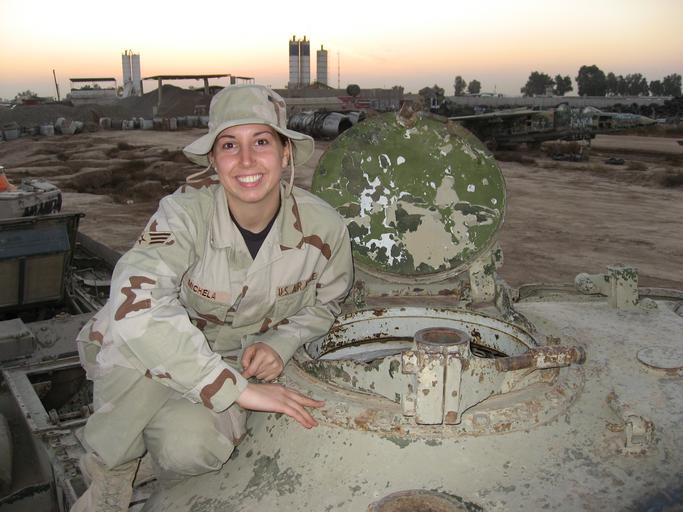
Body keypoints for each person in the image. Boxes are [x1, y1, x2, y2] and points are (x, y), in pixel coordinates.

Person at [72, 84, 354, 511]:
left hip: (237, 360)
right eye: (229, 145)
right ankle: (112, 468)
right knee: (126, 326)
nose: (246, 160)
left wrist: (282, 341)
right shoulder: (184, 216)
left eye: (261, 142)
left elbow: (329, 302)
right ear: (214, 160)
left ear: (285, 154)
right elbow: (137, 303)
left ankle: (152, 454)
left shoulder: (323, 228)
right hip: (153, 364)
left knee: (189, 448)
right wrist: (237, 392)